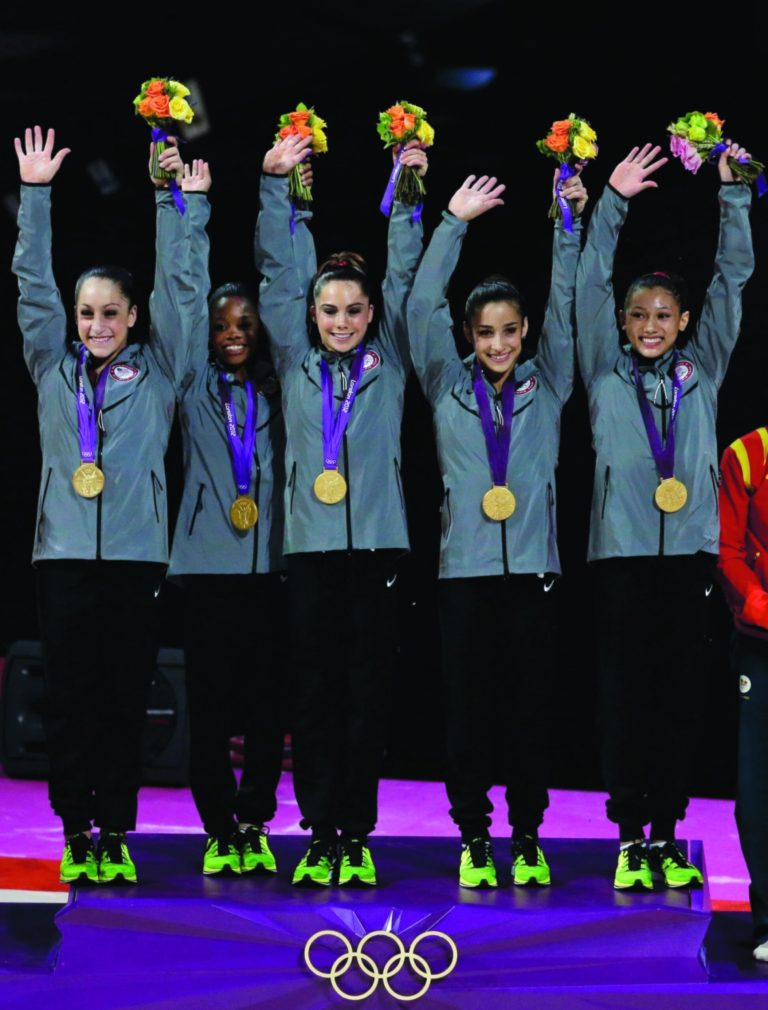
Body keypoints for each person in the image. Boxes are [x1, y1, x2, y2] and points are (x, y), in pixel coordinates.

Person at [12, 126, 191, 884]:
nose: (96, 326)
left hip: (135, 558)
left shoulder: (161, 371)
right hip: (61, 558)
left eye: (110, 313)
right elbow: (32, 283)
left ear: (133, 317)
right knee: (69, 701)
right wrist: (35, 194)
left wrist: (171, 200)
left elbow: (181, 287)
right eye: (87, 314)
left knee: (122, 700)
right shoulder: (50, 366)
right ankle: (75, 827)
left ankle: (115, 829)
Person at [575, 142, 754, 889]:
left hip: (688, 560)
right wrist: (612, 203)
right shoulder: (601, 368)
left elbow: (732, 277)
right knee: (624, 703)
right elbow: (588, 281)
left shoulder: (702, 367)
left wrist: (734, 195)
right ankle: (629, 836)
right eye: (639, 315)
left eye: (663, 316)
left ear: (684, 322)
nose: (651, 325)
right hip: (620, 559)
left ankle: (667, 834)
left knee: (677, 703)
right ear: (621, 322)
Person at [254, 133, 426, 886]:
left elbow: (408, 275)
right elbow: (278, 272)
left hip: (378, 550)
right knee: (316, 697)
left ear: (371, 312)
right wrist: (276, 187)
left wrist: (409, 194)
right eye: (329, 311)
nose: (342, 321)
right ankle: (320, 832)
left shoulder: (391, 357)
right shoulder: (295, 358)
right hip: (311, 551)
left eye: (354, 310)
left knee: (368, 698)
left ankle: (355, 834)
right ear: (312, 314)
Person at [407, 169, 586, 887]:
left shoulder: (552, 381)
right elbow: (420, 303)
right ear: (467, 335)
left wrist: (568, 226)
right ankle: (475, 836)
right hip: (464, 577)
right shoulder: (445, 384)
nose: (499, 343)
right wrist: (452, 223)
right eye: (485, 332)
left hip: (535, 575)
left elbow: (567, 302)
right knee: (469, 715)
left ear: (525, 331)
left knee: (529, 714)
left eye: (510, 331)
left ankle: (527, 834)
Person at [165, 157, 288, 876]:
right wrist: (191, 210)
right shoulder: (189, 385)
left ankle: (255, 820)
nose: (232, 333)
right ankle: (218, 825)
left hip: (270, 568)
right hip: (208, 570)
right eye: (221, 326)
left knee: (268, 704)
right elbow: (182, 293)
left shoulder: (281, 390)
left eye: (244, 323)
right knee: (210, 705)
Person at [718, 427, 768, 959]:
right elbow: (728, 551)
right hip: (761, 646)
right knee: (758, 795)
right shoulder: (748, 454)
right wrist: (761, 608)